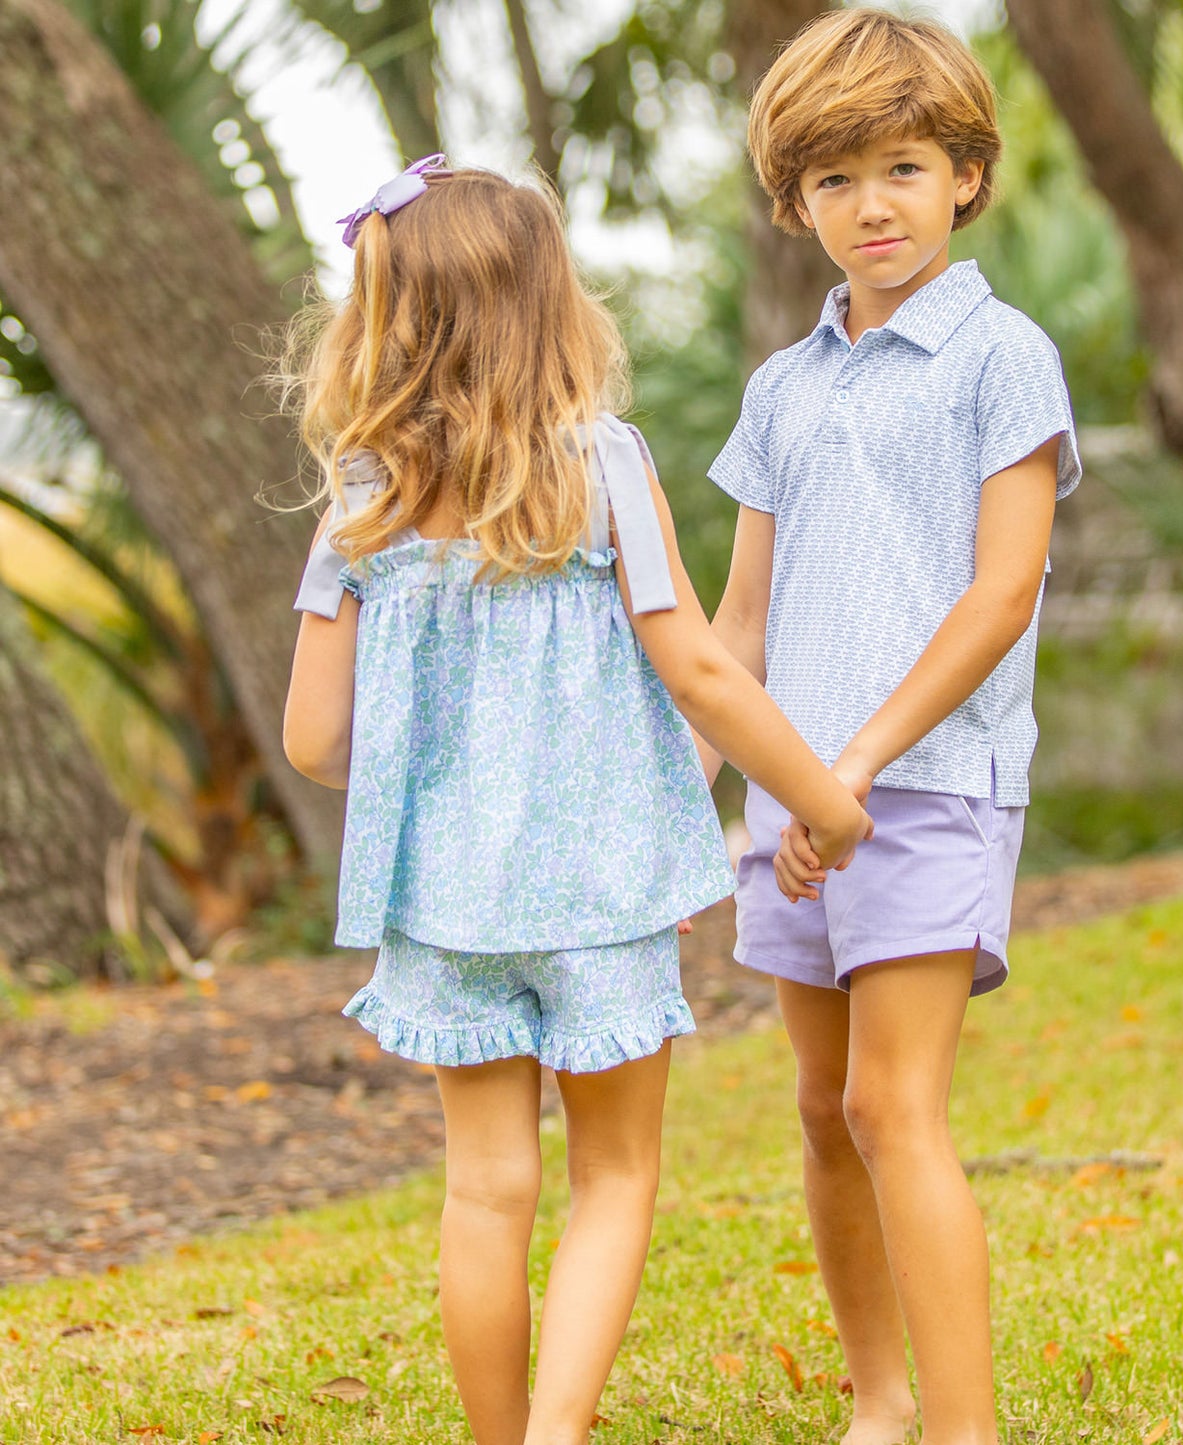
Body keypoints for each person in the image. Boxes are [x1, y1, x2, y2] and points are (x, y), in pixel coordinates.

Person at [279, 158, 871, 1445]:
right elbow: (703, 671)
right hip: (602, 894)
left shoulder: (360, 496)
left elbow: (315, 736)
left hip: (442, 904)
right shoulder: (599, 465)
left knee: (485, 1188)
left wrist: (441, 769)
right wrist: (824, 801)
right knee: (612, 1174)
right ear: (549, 305)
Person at [702, 12, 1082, 1445]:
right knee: (817, 1105)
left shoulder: (1004, 357)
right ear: (794, 198)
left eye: (906, 168)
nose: (874, 206)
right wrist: (714, 785)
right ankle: (880, 1401)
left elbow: (999, 596)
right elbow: (736, 627)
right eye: (839, 179)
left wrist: (848, 769)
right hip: (794, 810)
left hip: (930, 785)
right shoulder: (781, 388)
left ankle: (963, 1431)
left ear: (968, 175)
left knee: (888, 1103)